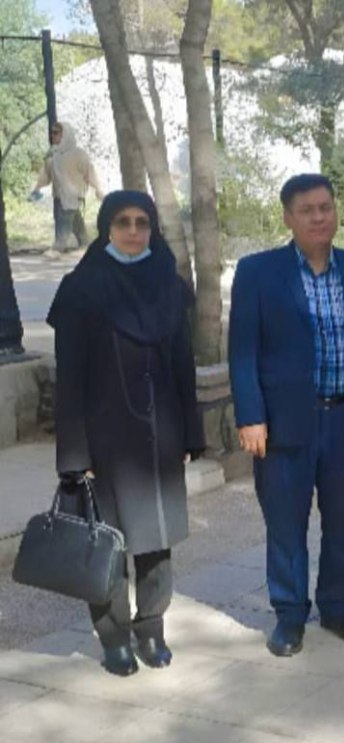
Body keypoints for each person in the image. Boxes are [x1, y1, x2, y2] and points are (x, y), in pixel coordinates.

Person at [228, 174, 344, 658]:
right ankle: (289, 615)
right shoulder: (258, 272)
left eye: (325, 207)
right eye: (307, 210)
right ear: (288, 217)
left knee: (343, 523)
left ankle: (337, 606)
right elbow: (242, 349)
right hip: (284, 424)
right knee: (286, 524)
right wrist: (250, 416)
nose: (319, 217)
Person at [47, 190, 204, 677]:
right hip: (104, 441)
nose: (133, 232)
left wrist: (190, 434)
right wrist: (75, 455)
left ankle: (151, 628)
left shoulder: (168, 284)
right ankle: (113, 637)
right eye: (123, 222)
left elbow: (183, 365)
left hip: (160, 435)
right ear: (106, 228)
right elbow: (69, 379)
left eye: (142, 223)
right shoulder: (81, 289)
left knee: (157, 540)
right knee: (106, 543)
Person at [31, 123, 104, 254]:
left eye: (56, 132)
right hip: (59, 196)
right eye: (52, 132)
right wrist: (37, 188)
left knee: (63, 225)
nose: (53, 135)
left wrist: (98, 189)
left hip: (73, 196)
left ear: (65, 134)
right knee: (76, 222)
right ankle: (85, 244)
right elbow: (46, 175)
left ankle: (58, 248)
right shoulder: (53, 155)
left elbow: (89, 172)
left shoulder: (78, 154)